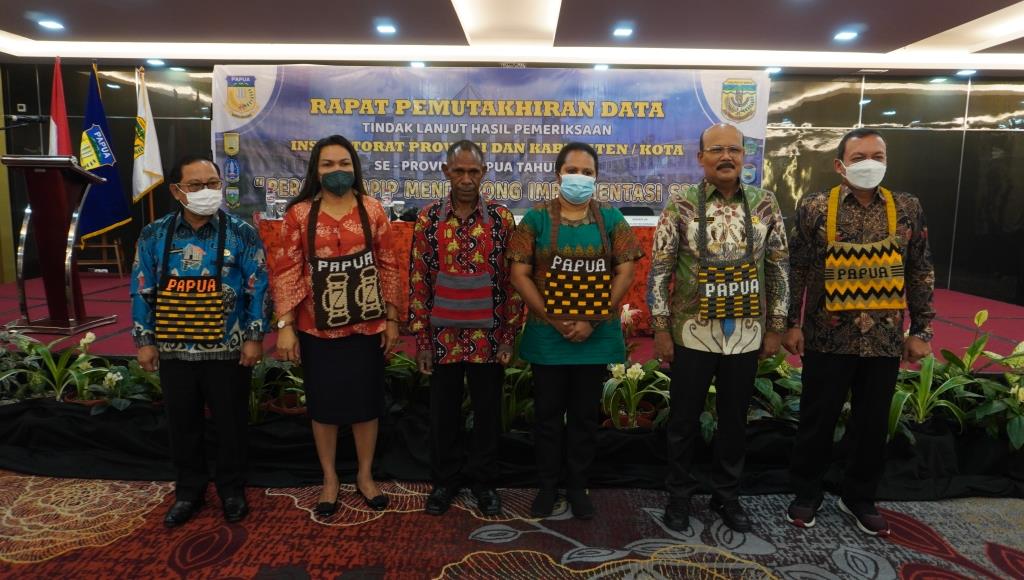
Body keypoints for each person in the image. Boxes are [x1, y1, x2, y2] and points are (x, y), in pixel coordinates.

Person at [784, 128, 934, 537]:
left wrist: (922, 329)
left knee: (872, 423)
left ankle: (859, 496)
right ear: (840, 165)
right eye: (859, 157)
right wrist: (791, 323)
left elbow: (920, 269)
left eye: (877, 156)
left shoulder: (907, 207)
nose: (870, 164)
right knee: (817, 419)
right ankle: (806, 492)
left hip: (884, 339)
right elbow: (797, 267)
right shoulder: (815, 206)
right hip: (827, 336)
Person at [648, 123, 789, 533]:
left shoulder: (765, 203)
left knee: (734, 421)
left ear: (744, 156)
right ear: (700, 158)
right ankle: (679, 495)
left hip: (745, 332)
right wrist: (661, 328)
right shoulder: (680, 204)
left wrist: (776, 326)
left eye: (734, 150)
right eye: (716, 150)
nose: (726, 156)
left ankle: (727, 495)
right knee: (683, 421)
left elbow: (779, 266)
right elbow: (660, 268)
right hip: (692, 331)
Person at [131, 154, 269, 527]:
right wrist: (144, 340)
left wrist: (254, 336)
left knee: (230, 424)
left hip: (228, 348)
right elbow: (142, 286)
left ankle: (231, 490)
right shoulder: (154, 234)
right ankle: (188, 491)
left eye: (213, 184)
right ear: (177, 191)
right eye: (196, 185)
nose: (206, 191)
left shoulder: (242, 232)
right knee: (182, 424)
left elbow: (257, 285)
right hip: (174, 348)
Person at [509, 141, 644, 519]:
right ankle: (547, 485)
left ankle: (577, 486)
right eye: (573, 171)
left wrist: (593, 319)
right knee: (547, 416)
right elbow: (519, 274)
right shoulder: (535, 219)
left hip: (594, 338)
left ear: (596, 177)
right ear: (558, 174)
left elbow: (626, 271)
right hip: (547, 336)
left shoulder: (611, 219)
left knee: (585, 417)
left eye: (587, 172)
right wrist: (553, 318)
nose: (580, 178)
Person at [271, 135, 401, 517]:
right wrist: (286, 325)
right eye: (328, 164)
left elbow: (389, 264)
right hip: (317, 328)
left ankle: (364, 475)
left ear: (354, 168)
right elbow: (286, 269)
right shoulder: (299, 214)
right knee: (324, 406)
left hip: (367, 326)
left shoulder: (373, 210)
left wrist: (393, 318)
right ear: (316, 170)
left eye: (344, 163)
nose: (337, 171)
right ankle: (330, 478)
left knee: (366, 404)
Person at [409, 140, 523, 517]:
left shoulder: (502, 219)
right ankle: (445, 481)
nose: (466, 179)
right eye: (458, 171)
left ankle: (484, 483)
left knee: (487, 413)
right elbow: (418, 279)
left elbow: (511, 281)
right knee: (443, 413)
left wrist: (508, 337)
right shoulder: (427, 219)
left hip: (488, 338)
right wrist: (423, 341)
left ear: (484, 173)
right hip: (442, 339)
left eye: (473, 171)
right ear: (446, 172)